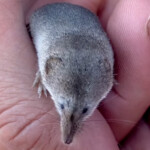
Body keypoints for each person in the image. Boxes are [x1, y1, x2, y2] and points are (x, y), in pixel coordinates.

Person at [0, 0, 149, 149]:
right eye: (63, 106)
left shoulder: (103, 75)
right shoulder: (52, 58)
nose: (68, 132)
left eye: (84, 111)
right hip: (50, 20)